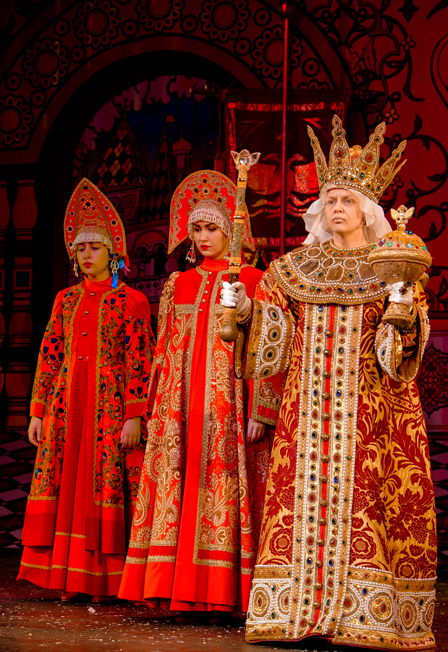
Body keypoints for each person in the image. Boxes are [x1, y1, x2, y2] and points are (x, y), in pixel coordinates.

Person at [221, 116, 437, 649]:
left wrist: (402, 310)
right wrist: (244, 309)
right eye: (331, 200)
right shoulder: (294, 268)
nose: (338, 208)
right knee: (299, 504)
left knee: (368, 503)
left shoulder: (391, 265)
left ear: (366, 211)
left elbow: (399, 358)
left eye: (348, 201)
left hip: (370, 414)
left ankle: (364, 614)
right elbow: (272, 335)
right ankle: (298, 610)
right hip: (307, 415)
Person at [118, 170, 284, 618]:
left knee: (224, 489)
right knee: (180, 485)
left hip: (230, 406)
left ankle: (224, 590)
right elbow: (163, 350)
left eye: (212, 228)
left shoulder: (254, 280)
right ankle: (175, 587)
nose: (204, 237)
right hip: (180, 407)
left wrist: (262, 408)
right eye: (197, 229)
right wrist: (155, 409)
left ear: (230, 231)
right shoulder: (178, 283)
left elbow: (270, 350)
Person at [18, 178, 155, 602]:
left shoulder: (131, 301)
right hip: (67, 405)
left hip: (108, 407)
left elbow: (141, 360)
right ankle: (65, 576)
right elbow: (49, 354)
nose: (87, 255)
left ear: (112, 253)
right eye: (81, 249)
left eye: (95, 248)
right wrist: (38, 411)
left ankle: (101, 581)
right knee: (66, 482)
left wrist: (134, 415)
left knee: (102, 484)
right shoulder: (65, 300)